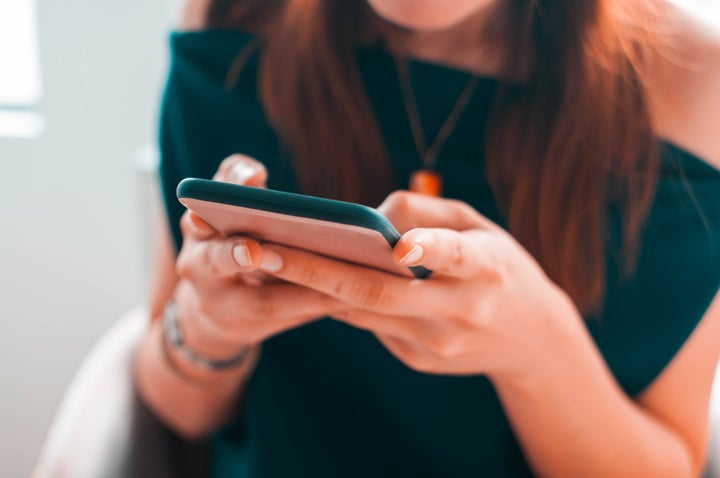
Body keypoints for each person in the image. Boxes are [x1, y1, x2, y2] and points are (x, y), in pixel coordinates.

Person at [134, 0, 720, 476]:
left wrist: (540, 350)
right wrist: (208, 331)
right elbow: (175, 407)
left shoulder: (696, 87)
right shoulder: (232, 19)